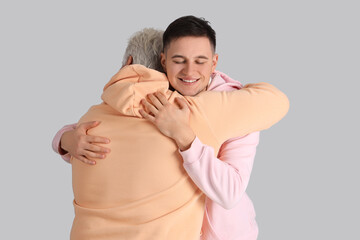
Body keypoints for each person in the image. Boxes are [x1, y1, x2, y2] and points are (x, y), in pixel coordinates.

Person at [53, 18, 288, 240]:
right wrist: (66, 139)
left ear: (214, 62)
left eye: (200, 60)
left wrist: (184, 136)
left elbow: (230, 193)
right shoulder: (162, 105)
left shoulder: (227, 106)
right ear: (163, 65)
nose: (189, 72)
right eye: (179, 60)